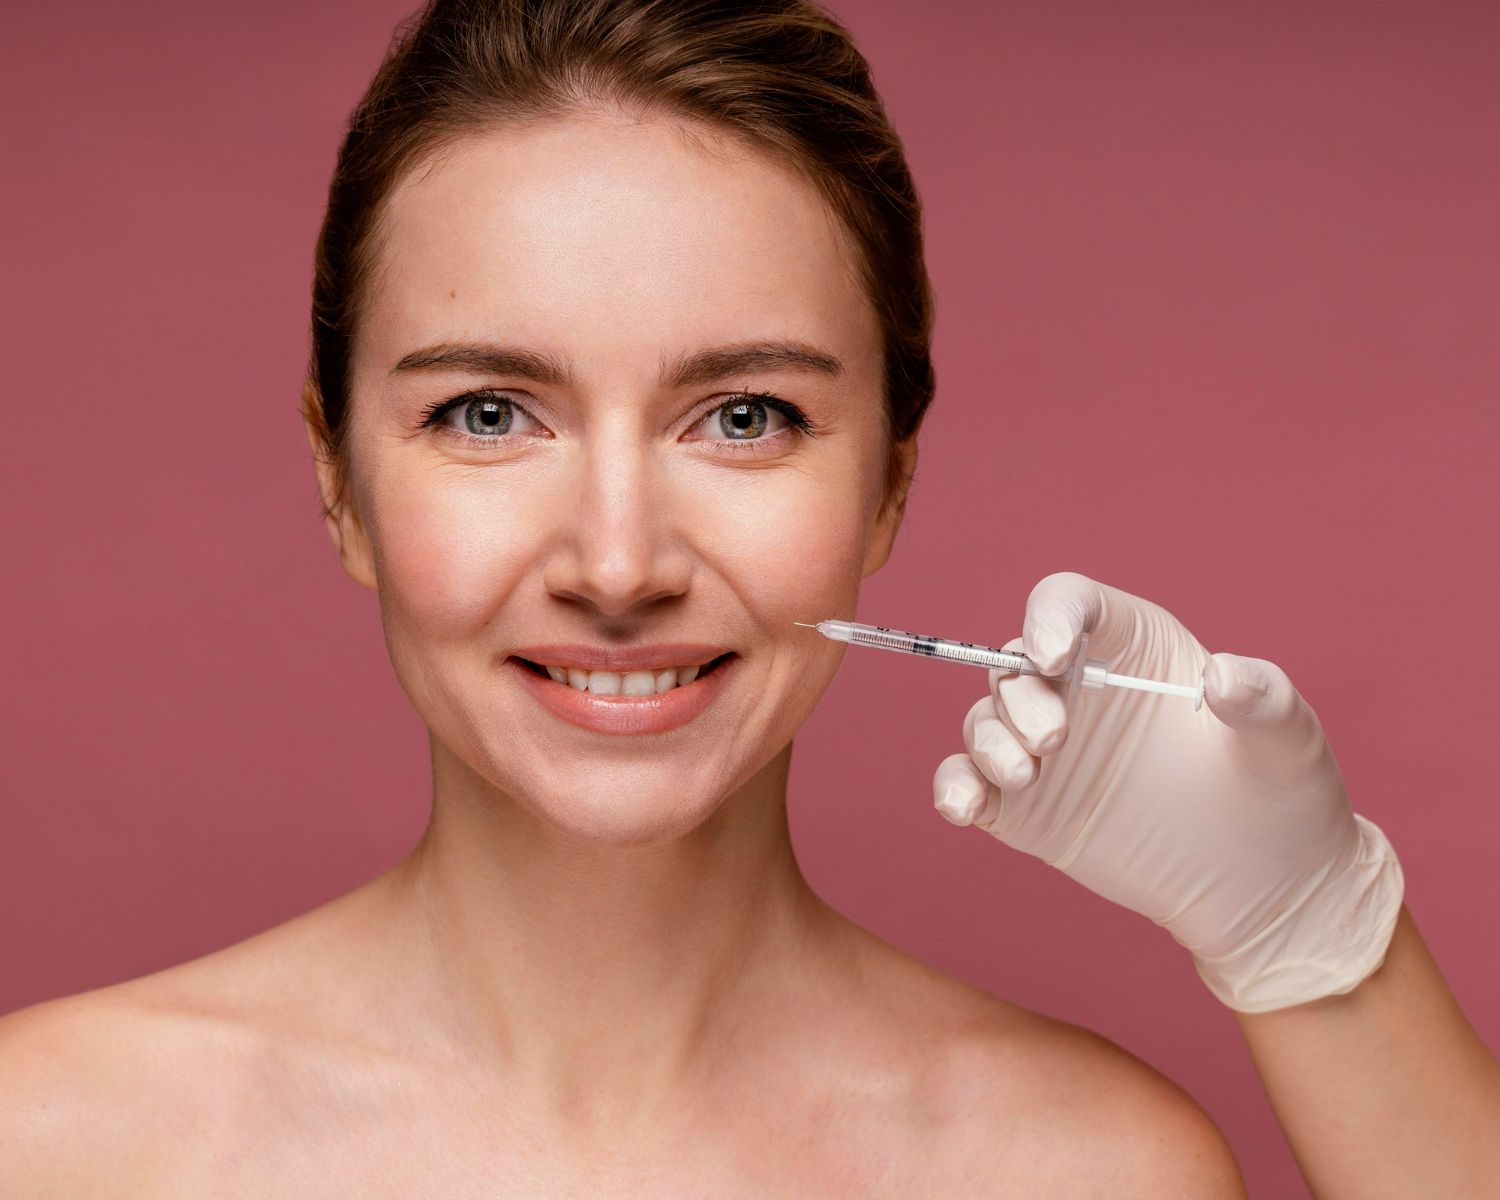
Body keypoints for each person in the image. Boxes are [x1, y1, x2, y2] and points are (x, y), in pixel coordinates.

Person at [1, 0, 1495, 1194]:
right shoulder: (53, 1147)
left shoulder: (1088, 1174)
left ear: (889, 487)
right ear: (341, 483)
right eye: (487, 413)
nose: (618, 564)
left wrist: (1318, 941)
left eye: (745, 417)